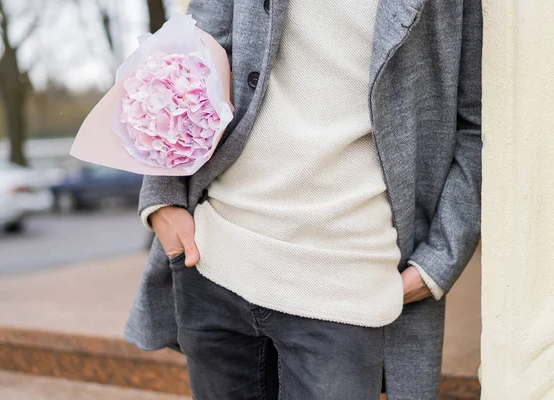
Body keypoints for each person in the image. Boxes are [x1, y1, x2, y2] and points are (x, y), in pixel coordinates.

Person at [124, 0, 483, 398]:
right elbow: (190, 57)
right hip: (215, 258)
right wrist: (164, 197)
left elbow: (479, 123)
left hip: (346, 284)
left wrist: (438, 263)